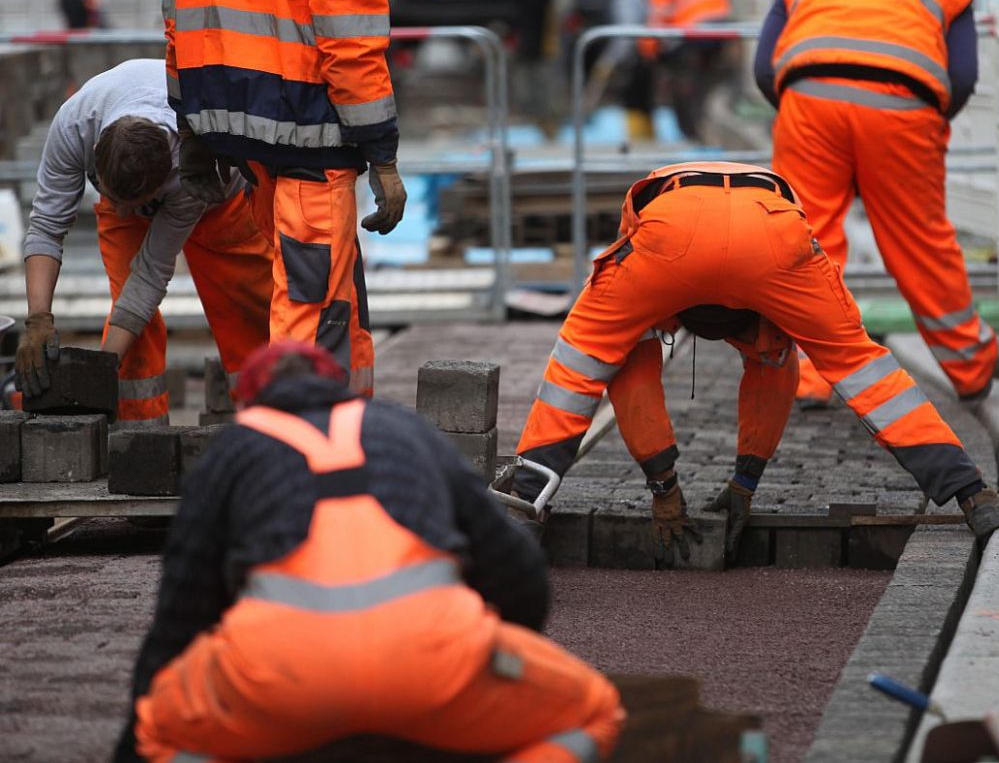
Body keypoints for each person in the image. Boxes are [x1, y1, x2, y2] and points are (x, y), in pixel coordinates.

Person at [116, 339, 625, 763]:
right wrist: (487, 664)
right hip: (434, 665)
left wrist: (135, 737)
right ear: (339, 392)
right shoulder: (405, 430)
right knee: (595, 712)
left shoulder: (234, 450)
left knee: (155, 732)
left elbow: (179, 615)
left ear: (249, 406)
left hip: (281, 681)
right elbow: (519, 573)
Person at [511, 161, 999, 566]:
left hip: (667, 233)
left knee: (580, 366)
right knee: (864, 369)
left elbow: (633, 379)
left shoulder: (647, 254)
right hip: (774, 234)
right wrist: (744, 485)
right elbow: (773, 376)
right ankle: (973, 495)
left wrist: (663, 489)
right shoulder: (771, 309)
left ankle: (524, 504)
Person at [161, 0, 408, 396]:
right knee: (311, 308)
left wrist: (194, 129)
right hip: (311, 144)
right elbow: (351, 42)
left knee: (335, 296)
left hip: (243, 141)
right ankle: (296, 453)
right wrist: (382, 156)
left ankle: (350, 428)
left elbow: (179, 24)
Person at [753, 0, 998, 407]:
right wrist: (923, 120)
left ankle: (811, 376)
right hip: (903, 107)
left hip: (809, 100)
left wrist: (803, 108)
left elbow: (763, 64)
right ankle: (971, 369)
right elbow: (965, 75)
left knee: (806, 239)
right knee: (921, 243)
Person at [16, 59, 271, 425]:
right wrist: (38, 319)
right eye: (111, 196)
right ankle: (139, 436)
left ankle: (269, 421)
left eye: (130, 205)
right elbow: (46, 226)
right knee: (132, 321)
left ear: (159, 184)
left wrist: (97, 370)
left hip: (218, 197)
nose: (119, 212)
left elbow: (151, 276)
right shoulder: (74, 126)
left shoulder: (189, 168)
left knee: (248, 309)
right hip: (137, 165)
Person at [604, 307, 798, 566]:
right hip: (749, 280)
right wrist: (747, 480)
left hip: (658, 276)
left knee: (628, 334)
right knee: (775, 343)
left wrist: (664, 487)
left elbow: (632, 377)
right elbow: (777, 359)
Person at [642, 0, 745, 141]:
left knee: (687, 84)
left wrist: (650, 47)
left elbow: (659, 10)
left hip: (692, 33)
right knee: (712, 82)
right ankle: (707, 129)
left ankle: (693, 133)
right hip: (721, 28)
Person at [584, 0, 655, 139]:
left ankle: (643, 143)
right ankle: (642, 141)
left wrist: (609, 61)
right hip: (637, 54)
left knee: (636, 99)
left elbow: (627, 32)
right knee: (635, 101)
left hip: (641, 55)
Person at [514, 0, 553, 126]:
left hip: (544, 36)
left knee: (542, 78)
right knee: (526, 75)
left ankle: (545, 116)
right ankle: (531, 115)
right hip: (527, 33)